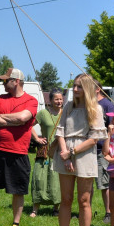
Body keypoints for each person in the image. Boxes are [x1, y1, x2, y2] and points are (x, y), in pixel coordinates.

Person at [53, 74, 108, 226]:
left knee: (84, 201)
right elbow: (60, 132)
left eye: (79, 87)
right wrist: (65, 155)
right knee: (66, 199)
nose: (75, 90)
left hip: (85, 155)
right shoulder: (68, 106)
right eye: (74, 86)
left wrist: (73, 153)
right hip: (65, 154)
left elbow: (94, 138)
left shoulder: (96, 109)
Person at [0, 68, 37, 226]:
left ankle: (15, 225)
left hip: (19, 152)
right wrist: (14, 120)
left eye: (6, 80)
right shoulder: (0, 99)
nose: (3, 83)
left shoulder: (31, 100)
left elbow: (24, 118)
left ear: (16, 81)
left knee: (18, 190)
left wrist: (4, 119)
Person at [30, 88, 64, 217]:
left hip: (60, 150)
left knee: (57, 180)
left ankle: (56, 208)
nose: (59, 101)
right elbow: (29, 125)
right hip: (45, 150)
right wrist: (37, 138)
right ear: (50, 100)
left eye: (61, 99)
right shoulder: (43, 113)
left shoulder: (65, 113)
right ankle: (35, 209)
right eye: (56, 99)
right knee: (40, 179)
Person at [95, 85, 114, 222]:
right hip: (87, 149)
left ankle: (109, 213)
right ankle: (84, 210)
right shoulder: (87, 104)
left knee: (104, 183)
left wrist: (109, 147)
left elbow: (113, 127)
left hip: (101, 149)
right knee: (86, 183)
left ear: (97, 89)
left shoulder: (107, 105)